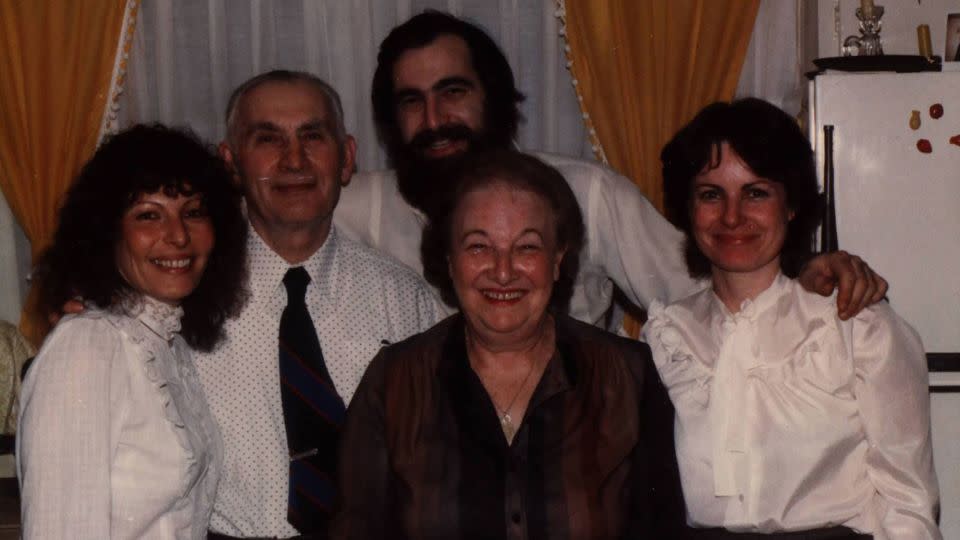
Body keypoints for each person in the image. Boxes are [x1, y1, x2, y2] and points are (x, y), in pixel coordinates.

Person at [335, 9, 887, 332]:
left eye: (453, 93)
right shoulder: (359, 208)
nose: (434, 121)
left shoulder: (586, 194)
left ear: (495, 100)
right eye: (411, 102)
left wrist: (808, 274)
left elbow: (707, 291)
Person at [333, 150, 687, 539]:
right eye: (479, 247)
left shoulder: (628, 378)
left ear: (557, 260)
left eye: (527, 247)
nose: (503, 272)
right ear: (449, 261)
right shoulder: (393, 383)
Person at [642, 98, 940, 539]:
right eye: (710, 194)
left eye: (756, 192)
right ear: (688, 208)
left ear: (792, 205)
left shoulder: (857, 327)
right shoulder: (667, 339)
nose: (731, 216)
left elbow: (909, 507)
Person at [200, 70, 441, 539]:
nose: (295, 160)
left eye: (313, 136)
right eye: (267, 139)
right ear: (231, 164)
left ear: (347, 158)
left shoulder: (406, 300)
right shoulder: (186, 302)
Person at [18, 124, 248, 539]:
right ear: (107, 233)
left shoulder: (165, 342)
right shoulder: (87, 346)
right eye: (148, 215)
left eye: (193, 212)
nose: (178, 236)